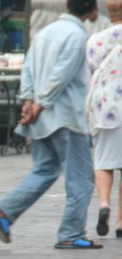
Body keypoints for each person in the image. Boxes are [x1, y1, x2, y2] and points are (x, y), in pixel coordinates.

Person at [0, 0, 102, 250]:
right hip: (65, 118)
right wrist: (40, 103)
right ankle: (71, 233)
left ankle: (4, 210)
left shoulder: (45, 32)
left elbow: (27, 68)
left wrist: (28, 100)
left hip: (42, 118)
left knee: (45, 169)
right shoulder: (76, 36)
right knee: (81, 179)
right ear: (92, 9)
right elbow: (61, 75)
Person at [86, 0, 122, 238]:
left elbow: (88, 74)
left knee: (103, 162)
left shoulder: (95, 40)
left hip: (103, 110)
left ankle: (104, 204)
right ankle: (121, 223)